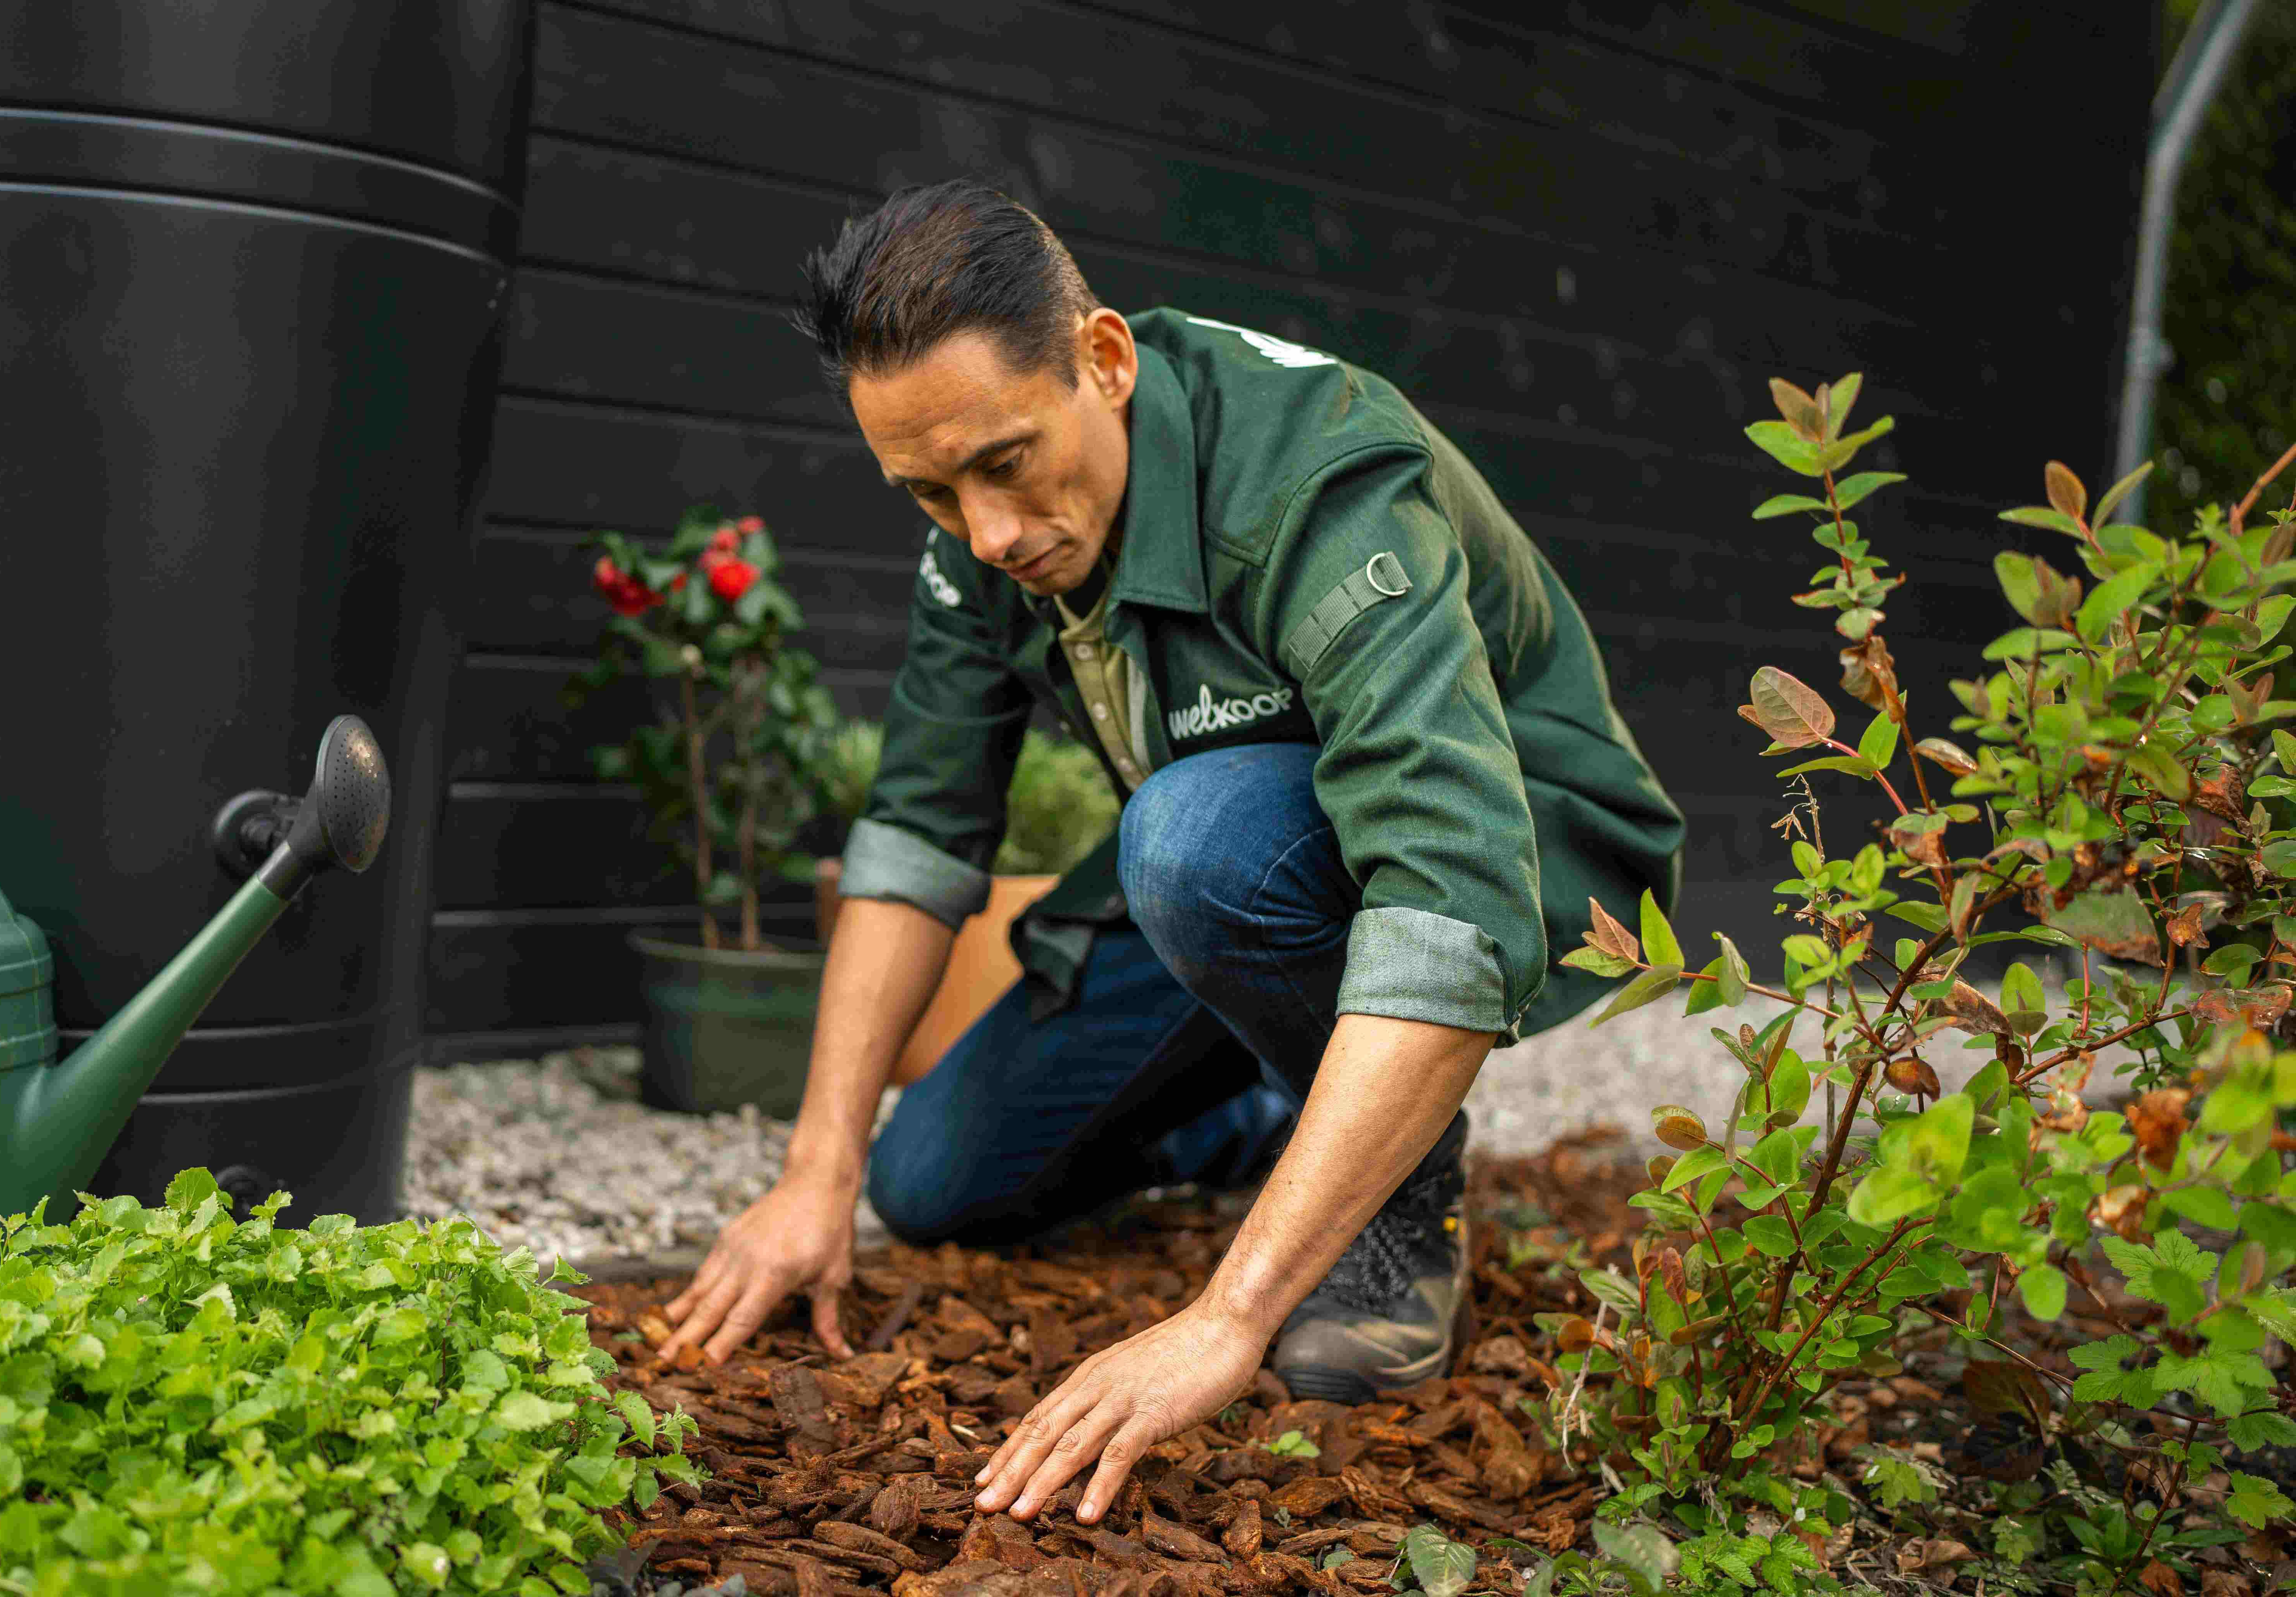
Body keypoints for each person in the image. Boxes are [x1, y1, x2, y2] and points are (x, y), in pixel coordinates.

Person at [655, 179, 1682, 1529]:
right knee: (935, 1185)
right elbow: (916, 833)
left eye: (1006, 462)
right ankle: (1296, 1114)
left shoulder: (1320, 477)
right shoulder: (983, 541)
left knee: (1192, 839)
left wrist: (1227, 1313)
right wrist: (814, 1173)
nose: (989, 533)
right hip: (1239, 875)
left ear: (1107, 359)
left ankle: (1397, 1202)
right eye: (928, 491)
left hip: (1509, 835)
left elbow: (1450, 885)